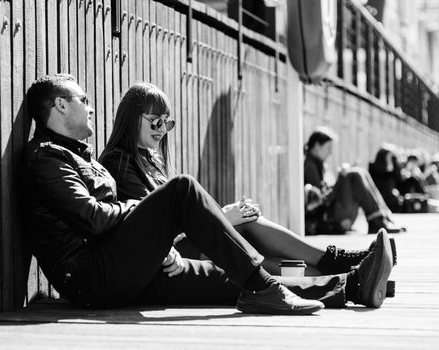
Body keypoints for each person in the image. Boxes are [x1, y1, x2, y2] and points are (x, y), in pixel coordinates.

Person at [25, 74, 393, 317]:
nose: (90, 106)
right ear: (60, 105)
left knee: (228, 279)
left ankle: (351, 284)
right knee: (184, 189)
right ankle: (282, 283)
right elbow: (92, 216)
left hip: (123, 267)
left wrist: (154, 241)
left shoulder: (78, 157)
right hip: (92, 277)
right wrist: (154, 228)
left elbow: (110, 219)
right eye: (82, 99)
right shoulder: (47, 157)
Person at [99, 81, 397, 277]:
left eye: (168, 122)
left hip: (180, 246)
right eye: (156, 121)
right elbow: (147, 227)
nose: (163, 128)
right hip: (162, 259)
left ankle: (341, 275)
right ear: (131, 118)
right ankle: (340, 264)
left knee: (247, 230)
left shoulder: (151, 159)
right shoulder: (118, 161)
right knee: (244, 228)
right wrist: (224, 215)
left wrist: (227, 214)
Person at [304, 127, 405, 235]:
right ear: (316, 146)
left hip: (334, 214)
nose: (330, 152)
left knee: (360, 172)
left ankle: (382, 217)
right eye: (328, 147)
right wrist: (341, 178)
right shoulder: (310, 166)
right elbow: (320, 201)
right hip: (328, 219)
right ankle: (377, 221)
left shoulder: (319, 164)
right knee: (354, 174)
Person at [369, 145, 404, 212]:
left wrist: (394, 162)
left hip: (391, 195)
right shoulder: (373, 166)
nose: (390, 159)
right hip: (379, 194)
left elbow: (399, 179)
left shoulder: (393, 167)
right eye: (389, 157)